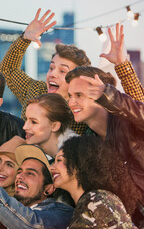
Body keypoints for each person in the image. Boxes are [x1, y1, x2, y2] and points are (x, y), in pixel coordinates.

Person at [0, 9, 144, 135]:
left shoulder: (84, 109)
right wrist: (24, 39)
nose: (53, 74)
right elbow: (8, 70)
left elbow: (138, 111)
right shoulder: (37, 90)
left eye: (63, 71)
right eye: (51, 67)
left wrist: (122, 65)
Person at [65, 65, 144, 225]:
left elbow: (138, 107)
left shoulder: (128, 123)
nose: (71, 102)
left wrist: (110, 94)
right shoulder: (88, 144)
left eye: (79, 95)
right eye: (70, 95)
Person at [50, 136, 139, 228]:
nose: (51, 167)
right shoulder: (95, 199)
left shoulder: (96, 201)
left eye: (59, 160)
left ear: (78, 162)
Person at [24, 93, 77, 158]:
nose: (24, 127)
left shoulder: (74, 154)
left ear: (55, 126)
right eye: (26, 119)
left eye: (34, 122)